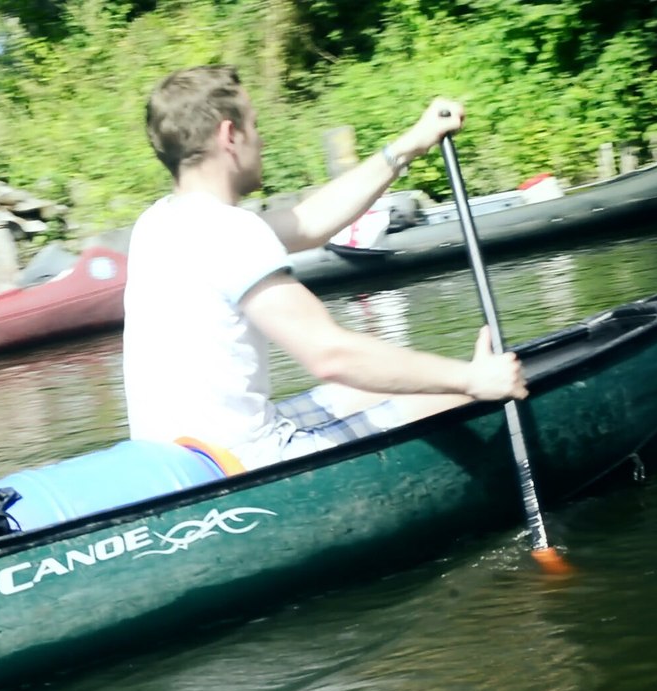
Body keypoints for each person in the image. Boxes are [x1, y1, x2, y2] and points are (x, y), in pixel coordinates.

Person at [122, 65, 528, 470]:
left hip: (178, 462)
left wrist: (409, 145)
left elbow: (310, 221)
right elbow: (330, 355)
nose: (262, 140)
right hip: (240, 465)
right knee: (456, 395)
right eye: (255, 125)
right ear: (229, 135)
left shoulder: (159, 222)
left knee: (390, 385)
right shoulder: (230, 232)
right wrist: (472, 379)